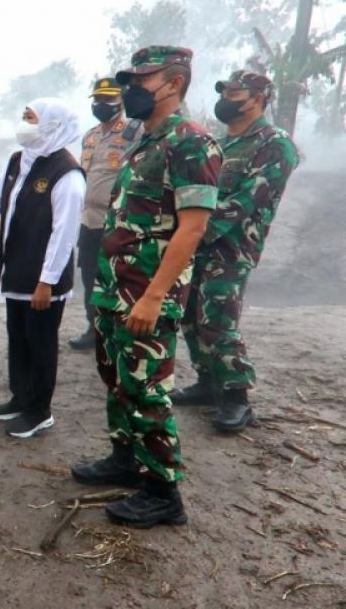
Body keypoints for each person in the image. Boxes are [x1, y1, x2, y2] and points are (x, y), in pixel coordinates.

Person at [70, 46, 222, 528]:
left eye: (142, 79)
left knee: (148, 388)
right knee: (118, 380)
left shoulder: (191, 142)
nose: (131, 89)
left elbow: (192, 228)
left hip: (147, 292)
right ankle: (125, 457)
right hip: (116, 286)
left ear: (173, 83)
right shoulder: (145, 139)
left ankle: (162, 490)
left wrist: (156, 295)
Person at [175, 71, 299, 432]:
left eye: (234, 91)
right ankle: (207, 381)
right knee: (189, 313)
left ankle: (236, 397)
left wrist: (197, 228)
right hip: (196, 241)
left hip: (232, 246)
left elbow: (249, 198)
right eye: (224, 91)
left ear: (258, 97)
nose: (226, 96)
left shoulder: (275, 143)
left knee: (217, 317)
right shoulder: (219, 143)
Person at [0, 98, 85, 438]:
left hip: (44, 279)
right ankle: (20, 397)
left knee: (41, 343)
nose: (23, 123)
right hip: (18, 271)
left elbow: (64, 235)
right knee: (19, 338)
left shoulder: (67, 174)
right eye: (24, 116)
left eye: (31, 118)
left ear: (52, 125)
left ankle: (39, 411)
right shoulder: (19, 160)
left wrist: (47, 282)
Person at [68, 77, 143, 351]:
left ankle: (120, 332)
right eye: (97, 99)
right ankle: (95, 328)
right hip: (90, 222)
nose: (101, 104)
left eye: (108, 99)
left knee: (119, 279)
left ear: (121, 100)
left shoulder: (134, 131)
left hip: (118, 221)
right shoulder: (90, 136)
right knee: (90, 277)